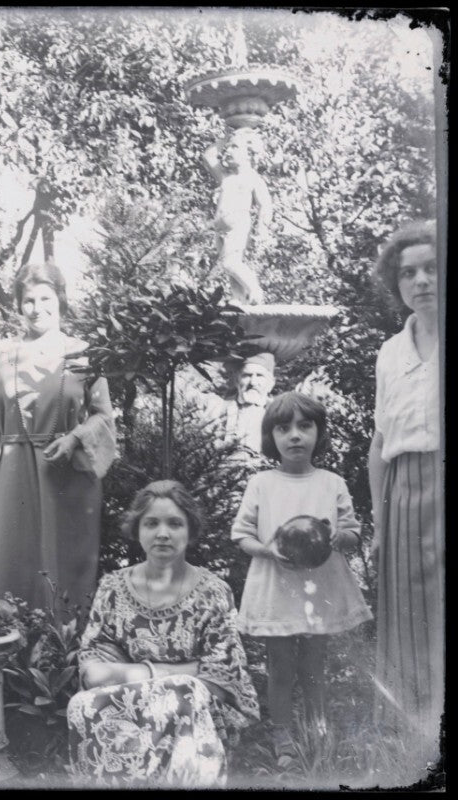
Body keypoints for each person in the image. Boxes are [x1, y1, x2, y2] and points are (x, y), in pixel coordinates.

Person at [67, 481, 260, 786]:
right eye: (151, 523)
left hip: (202, 709)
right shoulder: (112, 588)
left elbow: (222, 678)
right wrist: (179, 672)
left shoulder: (212, 592)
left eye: (174, 523)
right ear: (137, 529)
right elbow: (94, 672)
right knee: (83, 704)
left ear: (190, 531)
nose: (162, 534)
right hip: (133, 703)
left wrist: (156, 679)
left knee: (183, 692)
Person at [230, 391, 372, 756]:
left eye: (305, 426)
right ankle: (282, 735)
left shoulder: (331, 482)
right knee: (279, 666)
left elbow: (353, 534)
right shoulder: (261, 483)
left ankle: (316, 731)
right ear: (271, 437)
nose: (295, 435)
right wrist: (268, 549)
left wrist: (337, 536)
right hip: (277, 588)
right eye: (283, 427)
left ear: (318, 434)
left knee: (313, 664)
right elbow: (242, 535)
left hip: (319, 590)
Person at [0, 260, 117, 615]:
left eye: (45, 299)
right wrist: (6, 454)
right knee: (12, 565)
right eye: (29, 301)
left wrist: (73, 439)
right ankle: (11, 657)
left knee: (66, 570)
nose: (37, 309)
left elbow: (104, 416)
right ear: (19, 305)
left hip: (68, 474)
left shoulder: (85, 353)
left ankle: (66, 661)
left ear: (60, 300)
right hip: (13, 477)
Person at [366, 220, 443, 757]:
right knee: (408, 610)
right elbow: (378, 441)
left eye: (432, 268)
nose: (421, 281)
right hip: (401, 490)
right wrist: (377, 516)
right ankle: (413, 733)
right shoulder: (390, 352)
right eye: (408, 273)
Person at [203, 128, 273, 305]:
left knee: (230, 263)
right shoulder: (226, 176)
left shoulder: (252, 178)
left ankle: (255, 289)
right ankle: (239, 298)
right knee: (230, 266)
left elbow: (265, 204)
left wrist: (262, 228)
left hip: (239, 226)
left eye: (234, 147)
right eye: (227, 148)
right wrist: (226, 138)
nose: (227, 151)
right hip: (221, 229)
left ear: (249, 153)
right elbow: (208, 156)